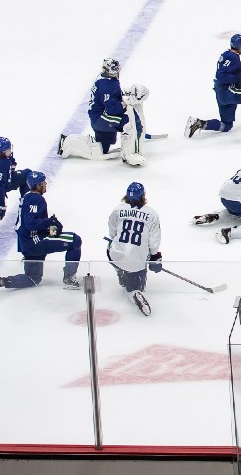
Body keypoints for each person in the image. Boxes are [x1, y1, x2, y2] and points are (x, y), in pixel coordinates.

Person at [0, 171, 82, 293]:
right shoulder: (36, 199)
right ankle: (69, 279)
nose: (45, 184)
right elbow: (31, 223)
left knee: (33, 278)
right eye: (43, 183)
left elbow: (26, 223)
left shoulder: (26, 196)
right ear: (38, 186)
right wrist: (49, 222)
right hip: (36, 241)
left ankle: (1, 281)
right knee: (75, 241)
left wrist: (49, 225)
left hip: (26, 244)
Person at [58, 58, 151, 166]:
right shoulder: (108, 85)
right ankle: (129, 154)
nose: (115, 72)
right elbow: (113, 109)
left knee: (101, 149)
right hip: (101, 118)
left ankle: (68, 142)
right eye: (113, 70)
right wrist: (128, 101)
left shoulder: (104, 78)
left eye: (116, 69)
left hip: (97, 117)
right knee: (129, 123)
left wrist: (127, 92)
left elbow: (112, 95)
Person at [187, 34, 241, 137]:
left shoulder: (226, 54)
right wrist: (238, 78)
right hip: (229, 92)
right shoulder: (232, 57)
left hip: (221, 95)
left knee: (226, 125)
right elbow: (220, 76)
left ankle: (199, 123)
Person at [105, 181, 162, 316]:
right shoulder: (152, 214)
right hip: (136, 262)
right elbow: (154, 241)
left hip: (116, 256)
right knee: (135, 287)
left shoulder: (118, 210)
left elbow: (112, 233)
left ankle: (120, 272)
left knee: (110, 247)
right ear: (143, 196)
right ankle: (135, 292)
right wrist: (154, 257)